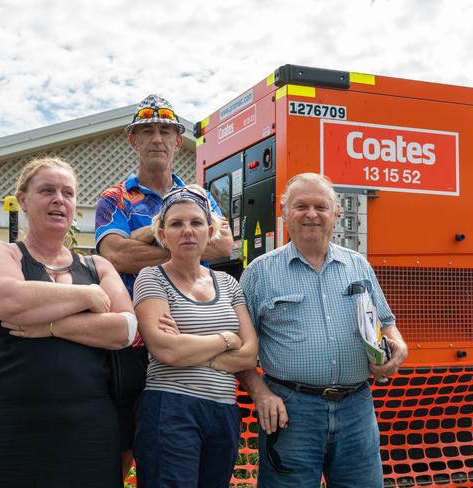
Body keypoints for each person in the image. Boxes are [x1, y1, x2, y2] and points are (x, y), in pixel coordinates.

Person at [0, 157, 135, 488]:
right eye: (47, 190)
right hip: (0, 429)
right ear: (23, 199)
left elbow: (124, 330)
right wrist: (85, 298)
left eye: (67, 193)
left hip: (86, 434)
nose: (58, 200)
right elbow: (9, 299)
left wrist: (51, 327)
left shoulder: (97, 266)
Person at [237, 173, 408, 488]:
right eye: (301, 206)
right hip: (291, 411)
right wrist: (260, 394)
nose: (311, 214)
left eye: (321, 206)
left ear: (336, 213)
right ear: (285, 212)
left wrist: (398, 349)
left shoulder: (359, 266)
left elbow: (387, 323)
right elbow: (238, 347)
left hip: (357, 409)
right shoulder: (259, 273)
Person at [95, 94, 233, 475]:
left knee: (180, 448)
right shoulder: (115, 197)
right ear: (133, 141)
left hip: (189, 330)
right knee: (121, 446)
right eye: (147, 131)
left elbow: (224, 243)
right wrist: (187, 246)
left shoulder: (200, 195)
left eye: (165, 131)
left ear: (177, 141)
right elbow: (115, 257)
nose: (156, 138)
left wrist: (145, 236)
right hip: (132, 338)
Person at [132, 185, 257, 487]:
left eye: (196, 222)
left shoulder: (228, 283)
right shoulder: (151, 277)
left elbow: (250, 354)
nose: (187, 230)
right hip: (171, 409)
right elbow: (167, 351)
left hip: (223, 411)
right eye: (176, 223)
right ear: (162, 235)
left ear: (210, 230)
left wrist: (191, 347)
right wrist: (227, 339)